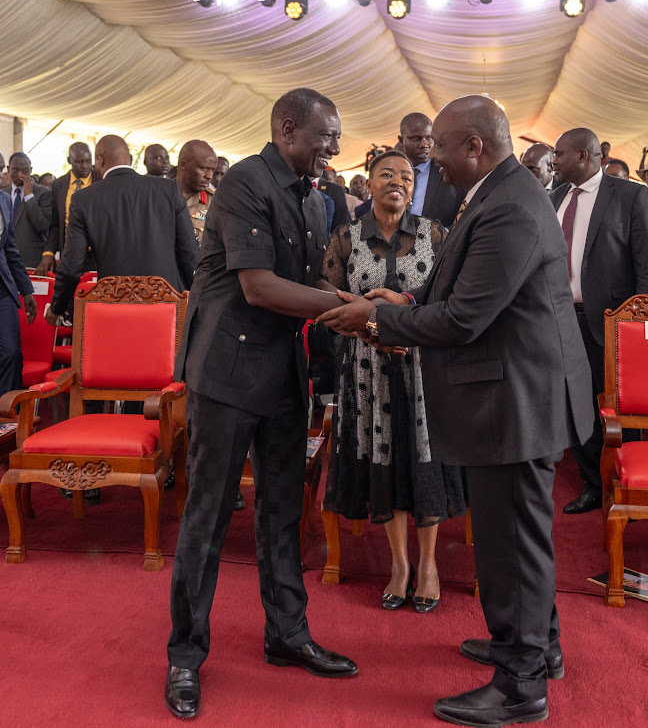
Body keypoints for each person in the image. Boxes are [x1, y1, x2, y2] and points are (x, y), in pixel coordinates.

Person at [318, 95, 593, 728]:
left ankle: (521, 684)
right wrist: (408, 297)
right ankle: (533, 646)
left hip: (517, 398)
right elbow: (468, 287)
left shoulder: (510, 205)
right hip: (515, 391)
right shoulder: (505, 193)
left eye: (438, 147)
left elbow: (467, 316)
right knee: (518, 536)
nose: (429, 159)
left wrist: (379, 316)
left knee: (512, 543)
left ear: (473, 145)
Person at [165, 88, 358, 721]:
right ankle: (185, 657)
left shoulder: (314, 195)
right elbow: (260, 287)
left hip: (281, 376)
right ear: (286, 128)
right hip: (224, 374)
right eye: (325, 136)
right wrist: (345, 309)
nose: (334, 147)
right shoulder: (245, 181)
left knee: (282, 513)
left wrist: (356, 299)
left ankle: (287, 635)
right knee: (208, 520)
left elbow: (301, 283)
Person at [322, 150, 465, 614]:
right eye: (387, 174)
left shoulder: (435, 234)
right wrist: (371, 330)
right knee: (387, 462)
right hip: (367, 374)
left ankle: (428, 566)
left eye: (406, 175)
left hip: (424, 371)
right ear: (369, 181)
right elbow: (331, 299)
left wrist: (405, 318)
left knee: (421, 460)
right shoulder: (345, 237)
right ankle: (399, 565)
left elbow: (449, 297)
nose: (397, 181)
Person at [551, 128, 648, 514]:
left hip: (612, 323)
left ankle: (625, 484)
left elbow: (647, 265)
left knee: (615, 408)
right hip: (563, 321)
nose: (554, 161)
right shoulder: (556, 196)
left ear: (584, 155)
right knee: (575, 404)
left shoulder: (629, 194)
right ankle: (592, 484)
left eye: (560, 154)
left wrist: (638, 325)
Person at [45, 135, 198, 321]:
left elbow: (71, 267)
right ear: (130, 159)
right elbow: (189, 252)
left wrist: (57, 307)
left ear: (99, 160)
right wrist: (194, 300)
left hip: (116, 304)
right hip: (168, 304)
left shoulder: (84, 199)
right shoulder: (168, 189)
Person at [36, 142, 97, 276]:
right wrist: (48, 253)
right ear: (69, 160)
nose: (85, 166)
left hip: (97, 257)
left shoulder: (101, 180)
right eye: (79, 162)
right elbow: (56, 223)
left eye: (88, 161)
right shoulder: (59, 185)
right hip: (69, 255)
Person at [0, 189, 36, 398]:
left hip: (3, 288)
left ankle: (6, 417)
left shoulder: (4, 199)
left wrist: (26, 290)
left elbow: (10, 248)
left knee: (11, 352)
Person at [2, 152, 52, 268]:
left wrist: (29, 196)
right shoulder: (3, 194)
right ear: (9, 169)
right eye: (15, 170)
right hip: (5, 261)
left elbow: (42, 226)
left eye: (25, 171)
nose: (20, 175)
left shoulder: (44, 193)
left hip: (32, 261)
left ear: (31, 170)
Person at [175, 139, 217, 244]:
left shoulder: (215, 202)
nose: (209, 176)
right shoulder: (159, 196)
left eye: (212, 170)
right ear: (184, 165)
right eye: (203, 168)